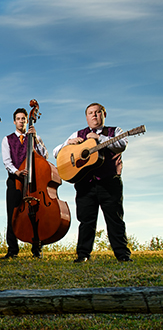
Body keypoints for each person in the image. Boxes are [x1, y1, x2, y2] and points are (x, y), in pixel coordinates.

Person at [52, 102, 132, 263]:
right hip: (85, 184)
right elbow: (55, 152)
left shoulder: (115, 131)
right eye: (90, 113)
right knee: (86, 220)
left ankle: (122, 255)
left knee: (115, 219)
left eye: (98, 112)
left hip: (109, 183)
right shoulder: (78, 133)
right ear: (86, 117)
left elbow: (122, 145)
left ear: (104, 114)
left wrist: (100, 138)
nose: (94, 115)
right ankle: (83, 255)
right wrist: (67, 144)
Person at [1, 108, 48, 259]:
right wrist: (17, 172)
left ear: (28, 121)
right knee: (13, 214)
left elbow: (44, 156)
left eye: (24, 119)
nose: (21, 121)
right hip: (15, 181)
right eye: (19, 119)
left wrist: (36, 139)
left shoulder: (34, 137)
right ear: (14, 121)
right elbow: (7, 161)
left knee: (35, 213)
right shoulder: (7, 139)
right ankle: (12, 249)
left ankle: (37, 248)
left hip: (34, 181)